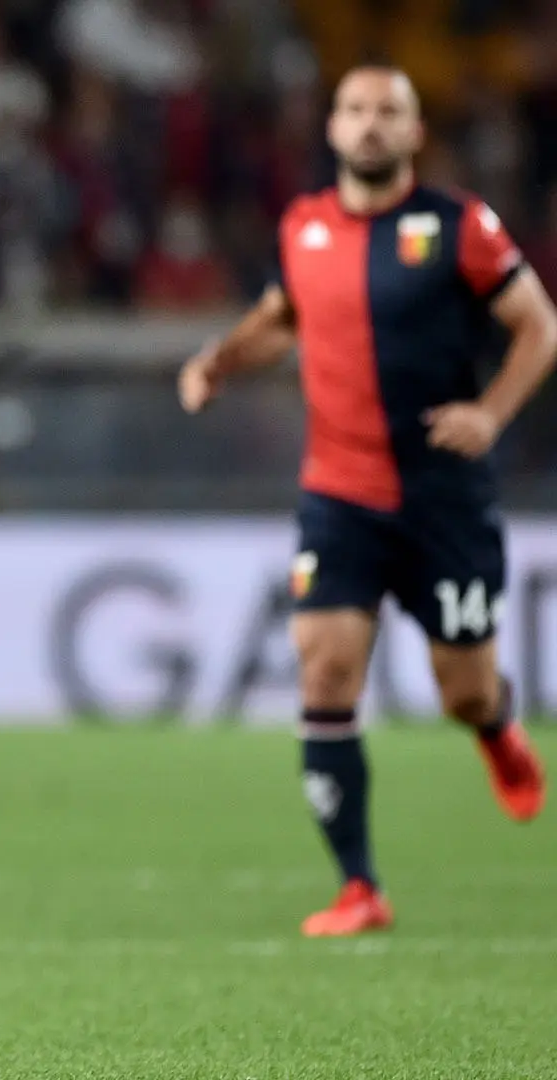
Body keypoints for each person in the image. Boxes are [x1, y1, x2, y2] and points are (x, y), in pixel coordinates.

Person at [179, 67, 556, 937]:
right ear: (334, 128)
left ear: (415, 133)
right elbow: (281, 318)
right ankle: (360, 887)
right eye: (356, 110)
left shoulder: (458, 227)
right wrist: (219, 361)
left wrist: (490, 413)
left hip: (443, 498)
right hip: (339, 493)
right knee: (324, 668)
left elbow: (539, 326)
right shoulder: (303, 227)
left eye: (390, 111)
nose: (371, 124)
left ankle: (495, 729)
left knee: (462, 691)